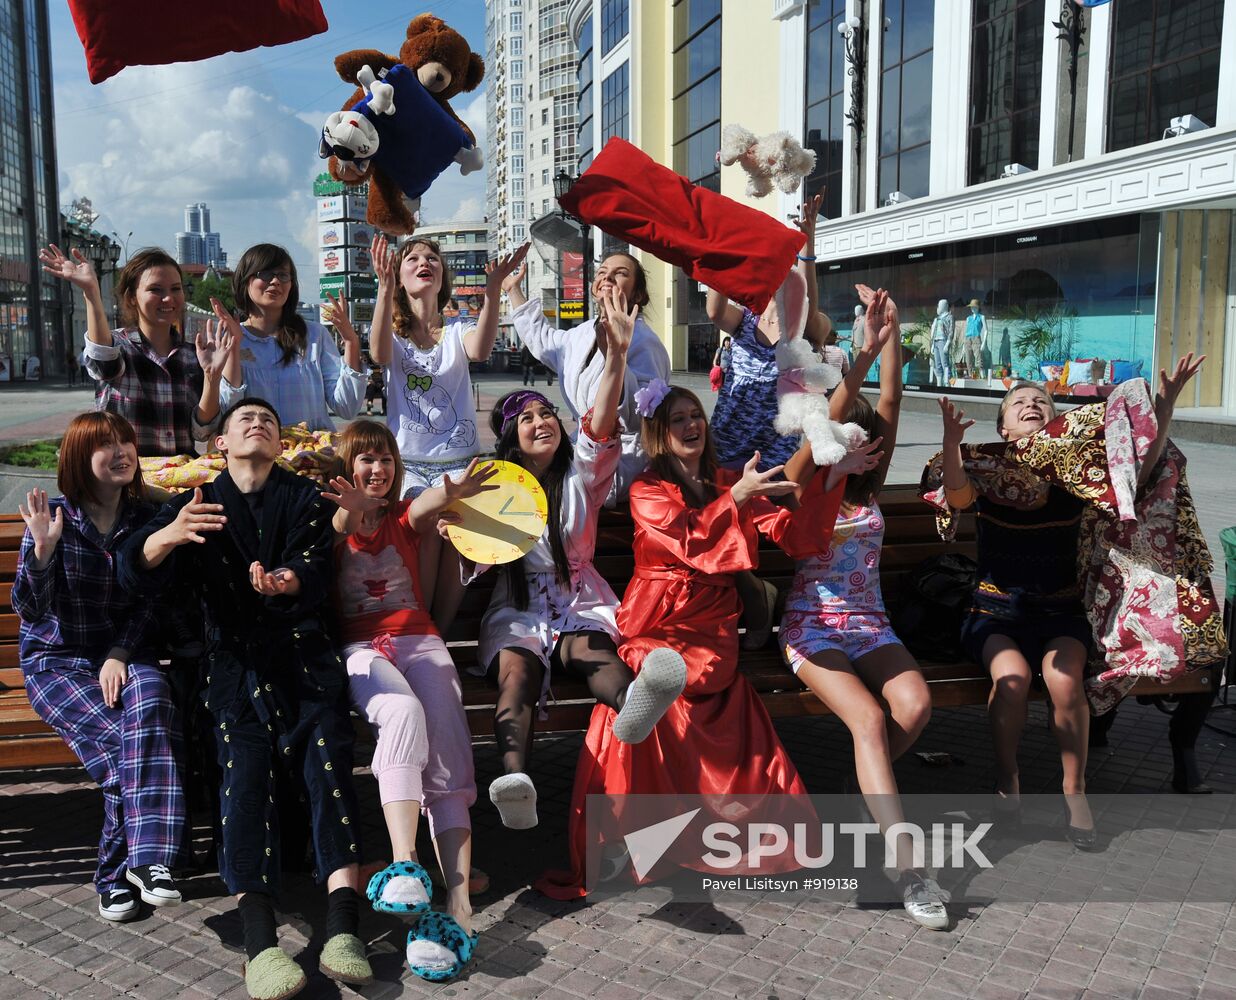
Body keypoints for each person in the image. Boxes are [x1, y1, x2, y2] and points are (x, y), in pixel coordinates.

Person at [537, 384, 881, 898]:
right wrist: (735, 499)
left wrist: (834, 475)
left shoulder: (728, 478)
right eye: (677, 419)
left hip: (714, 628)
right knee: (635, 705)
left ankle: (658, 838)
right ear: (659, 433)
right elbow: (691, 542)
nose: (690, 425)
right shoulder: (647, 490)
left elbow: (794, 535)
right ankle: (627, 845)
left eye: (695, 415)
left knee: (687, 690)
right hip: (657, 621)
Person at [120, 398, 372, 999]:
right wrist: (166, 539)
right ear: (222, 445)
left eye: (268, 422)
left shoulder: (304, 499)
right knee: (244, 777)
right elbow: (134, 570)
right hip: (232, 667)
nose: (257, 424)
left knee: (329, 766)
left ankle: (342, 929)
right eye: (243, 421)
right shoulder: (198, 502)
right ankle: (261, 946)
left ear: (281, 444)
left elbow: (315, 564)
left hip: (302, 658)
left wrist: (289, 581)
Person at [468, 287, 687, 832]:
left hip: (578, 599)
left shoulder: (581, 475)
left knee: (592, 652)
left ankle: (635, 705)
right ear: (510, 439)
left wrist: (616, 356)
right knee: (515, 674)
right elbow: (465, 547)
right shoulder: (493, 488)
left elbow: (601, 422)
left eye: (548, 413)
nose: (542, 421)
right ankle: (515, 781)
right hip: (517, 609)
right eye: (528, 419)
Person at [780, 287, 948, 929]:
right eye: (844, 429)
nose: (857, 434)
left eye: (864, 436)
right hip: (810, 627)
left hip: (870, 624)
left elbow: (890, 402)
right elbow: (847, 406)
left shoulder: (869, 485)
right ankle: (907, 870)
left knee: (916, 706)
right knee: (871, 722)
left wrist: (894, 334)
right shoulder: (809, 476)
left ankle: (865, 788)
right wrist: (860, 355)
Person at [323, 422, 497, 982]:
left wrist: (452, 490)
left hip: (420, 641)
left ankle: (460, 901)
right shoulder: (335, 520)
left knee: (447, 751)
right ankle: (406, 865)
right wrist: (350, 510)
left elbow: (427, 504)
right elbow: (339, 525)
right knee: (402, 711)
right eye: (365, 460)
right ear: (347, 468)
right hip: (359, 649)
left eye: (385, 460)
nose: (377, 470)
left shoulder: (404, 518)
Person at [14, 412, 185, 923]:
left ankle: (146, 862)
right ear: (77, 459)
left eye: (127, 441)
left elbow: (150, 602)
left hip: (124, 656)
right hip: (59, 663)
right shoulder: (56, 519)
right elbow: (31, 611)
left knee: (154, 695)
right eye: (105, 445)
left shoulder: (143, 521)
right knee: (122, 752)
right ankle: (123, 871)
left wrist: (119, 654)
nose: (121, 452)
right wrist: (41, 553)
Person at [368, 233, 528, 633]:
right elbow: (378, 354)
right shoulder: (395, 334)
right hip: (411, 469)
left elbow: (481, 349)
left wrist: (493, 292)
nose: (424, 262)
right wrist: (384, 292)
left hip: (461, 464)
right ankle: (424, 628)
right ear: (399, 278)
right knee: (427, 532)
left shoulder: (458, 332)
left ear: (443, 279)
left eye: (432, 259)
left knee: (460, 532)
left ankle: (437, 630)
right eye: (412, 258)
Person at [705, 194, 824, 649]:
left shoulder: (805, 332)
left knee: (748, 526)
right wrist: (720, 249)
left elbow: (810, 302)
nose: (778, 300)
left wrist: (808, 245)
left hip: (776, 457)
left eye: (786, 289)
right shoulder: (745, 322)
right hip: (726, 448)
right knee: (724, 523)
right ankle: (754, 593)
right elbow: (715, 310)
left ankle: (756, 597)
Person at [504, 250, 669, 501]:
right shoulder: (580, 334)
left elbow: (641, 417)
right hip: (583, 450)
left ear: (638, 294)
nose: (608, 277)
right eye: (602, 272)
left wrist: (616, 357)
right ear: (594, 287)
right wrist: (512, 289)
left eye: (620, 274)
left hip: (623, 461)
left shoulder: (645, 342)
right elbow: (542, 340)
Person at [38, 245, 232, 457]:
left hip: (178, 480)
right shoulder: (120, 346)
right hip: (125, 478)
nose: (168, 298)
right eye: (155, 290)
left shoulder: (193, 355)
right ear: (131, 297)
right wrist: (91, 292)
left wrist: (212, 377)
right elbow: (102, 358)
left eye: (176, 289)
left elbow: (202, 431)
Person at [216, 243, 364, 431]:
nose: (276, 281)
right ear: (245, 281)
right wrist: (234, 347)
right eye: (266, 273)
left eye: (283, 275)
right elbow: (229, 411)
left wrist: (351, 341)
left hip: (312, 454)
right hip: (260, 456)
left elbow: (347, 407)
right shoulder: (231, 338)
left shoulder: (314, 335)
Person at [929, 299, 954, 385]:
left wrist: (947, 343)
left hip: (943, 341)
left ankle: (948, 384)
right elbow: (934, 331)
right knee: (937, 364)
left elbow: (951, 331)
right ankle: (939, 385)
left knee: (945, 364)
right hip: (936, 342)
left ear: (945, 306)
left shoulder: (949, 317)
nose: (938, 307)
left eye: (940, 305)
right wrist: (932, 345)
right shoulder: (937, 318)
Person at [962, 298, 987, 376]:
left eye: (974, 307)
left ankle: (982, 378)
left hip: (976, 339)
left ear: (978, 307)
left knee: (979, 360)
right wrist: (963, 345)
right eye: (971, 307)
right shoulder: (968, 318)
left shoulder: (981, 317)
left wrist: (983, 343)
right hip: (967, 340)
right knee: (968, 361)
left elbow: (986, 330)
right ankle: (970, 377)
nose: (972, 308)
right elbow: (966, 331)